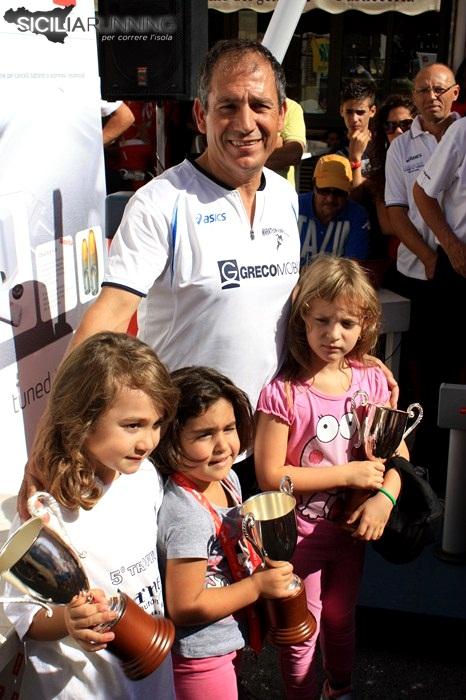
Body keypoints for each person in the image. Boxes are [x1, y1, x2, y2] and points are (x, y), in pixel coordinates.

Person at [59, 39, 300, 500]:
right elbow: (109, 316)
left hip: (261, 450)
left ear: (281, 113)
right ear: (201, 115)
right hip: (178, 457)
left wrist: (353, 364)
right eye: (227, 106)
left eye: (259, 105)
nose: (245, 123)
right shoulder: (160, 203)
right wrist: (58, 435)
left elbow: (283, 313)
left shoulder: (286, 198)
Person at [254, 255, 405, 700]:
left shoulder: (371, 381)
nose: (333, 335)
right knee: (301, 628)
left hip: (350, 535)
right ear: (303, 316)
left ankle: (339, 688)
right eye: (322, 320)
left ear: (366, 324)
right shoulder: (284, 392)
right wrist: (350, 474)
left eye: (346, 323)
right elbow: (270, 475)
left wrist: (385, 499)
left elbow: (399, 454)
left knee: (341, 617)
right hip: (299, 538)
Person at [4, 332, 178, 699]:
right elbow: (24, 616)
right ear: (83, 419)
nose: (148, 441)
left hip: (152, 681)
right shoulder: (47, 510)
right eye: (133, 425)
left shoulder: (145, 477)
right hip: (85, 687)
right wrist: (68, 621)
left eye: (157, 423)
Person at [155, 366, 294, 700]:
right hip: (200, 657)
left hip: (225, 639)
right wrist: (256, 587)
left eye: (229, 428)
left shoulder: (227, 478)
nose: (222, 446)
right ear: (172, 438)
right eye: (204, 434)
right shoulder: (186, 514)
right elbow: (185, 605)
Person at [384, 62, 460, 491]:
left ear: (455, 93)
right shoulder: (401, 148)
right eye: (423, 90)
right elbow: (397, 212)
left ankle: (451, 462)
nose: (431, 97)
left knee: (452, 369)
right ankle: (423, 464)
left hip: (459, 272)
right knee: (422, 372)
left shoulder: (462, 134)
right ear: (413, 97)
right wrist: (430, 256)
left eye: (439, 89)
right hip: (419, 271)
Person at [413, 116, 466, 380]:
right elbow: (422, 192)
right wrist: (452, 247)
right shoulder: (462, 131)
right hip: (460, 266)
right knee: (445, 366)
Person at [364, 94, 417, 285]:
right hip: (400, 261)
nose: (399, 131)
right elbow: (387, 225)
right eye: (390, 126)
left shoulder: (436, 158)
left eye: (406, 124)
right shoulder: (380, 172)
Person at [298, 154, 370, 266]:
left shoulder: (358, 216)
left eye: (339, 192)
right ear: (314, 186)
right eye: (324, 190)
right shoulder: (293, 207)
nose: (330, 199)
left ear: (348, 191)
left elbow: (353, 268)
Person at [338, 80, 376, 187]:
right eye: (349, 112)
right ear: (341, 111)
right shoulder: (336, 153)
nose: (354, 119)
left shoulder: (384, 145)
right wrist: (355, 160)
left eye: (360, 112)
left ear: (372, 111)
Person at [266, 97, 307, 188]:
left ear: (282, 112)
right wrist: (277, 142)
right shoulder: (236, 103)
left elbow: (293, 154)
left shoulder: (291, 107)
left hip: (278, 191)